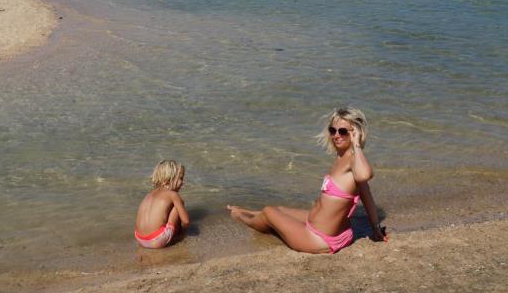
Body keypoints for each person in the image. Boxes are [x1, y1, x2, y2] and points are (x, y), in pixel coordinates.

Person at [227, 107, 386, 254]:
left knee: (269, 212)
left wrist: (357, 145)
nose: (336, 135)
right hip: (331, 231)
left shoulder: (353, 159)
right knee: (279, 209)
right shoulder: (342, 158)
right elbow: (366, 195)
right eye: (333, 130)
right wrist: (375, 227)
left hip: (317, 239)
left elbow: (365, 175)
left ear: (355, 133)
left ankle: (241, 217)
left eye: (343, 131)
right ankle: (251, 213)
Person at [135, 160, 189, 249]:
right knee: (178, 205)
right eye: (180, 178)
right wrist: (183, 231)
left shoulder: (149, 195)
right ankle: (178, 235)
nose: (183, 182)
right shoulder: (173, 195)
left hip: (139, 238)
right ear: (169, 178)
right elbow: (186, 221)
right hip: (157, 240)